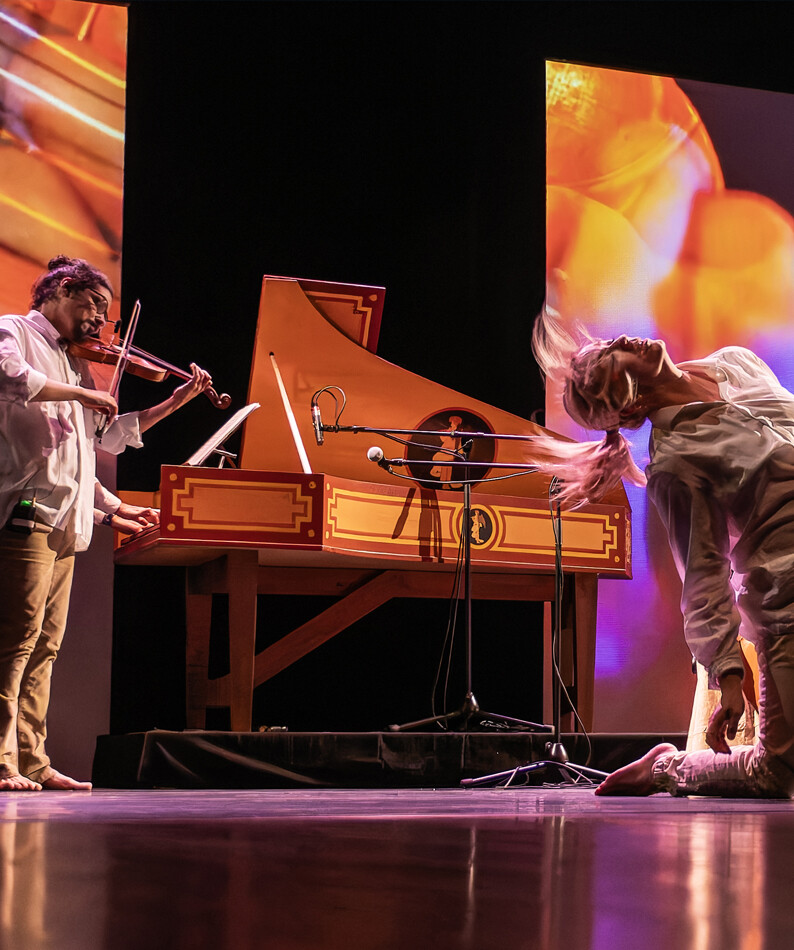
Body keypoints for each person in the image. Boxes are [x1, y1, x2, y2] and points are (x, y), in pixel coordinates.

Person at [532, 312, 794, 798]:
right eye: (614, 360)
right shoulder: (676, 462)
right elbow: (702, 575)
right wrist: (729, 673)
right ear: (627, 403)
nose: (626, 342)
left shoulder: (734, 365)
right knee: (778, 772)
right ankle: (664, 768)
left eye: (612, 343)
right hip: (787, 596)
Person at [0, 255, 214, 791]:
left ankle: (32, 759)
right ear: (60, 290)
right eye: (92, 306)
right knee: (15, 643)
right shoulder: (16, 333)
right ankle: (1, 760)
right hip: (24, 514)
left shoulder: (75, 361)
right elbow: (9, 378)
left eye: (105, 313)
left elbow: (93, 447)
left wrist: (175, 401)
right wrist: (82, 393)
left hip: (65, 520)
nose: (99, 321)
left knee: (47, 646)